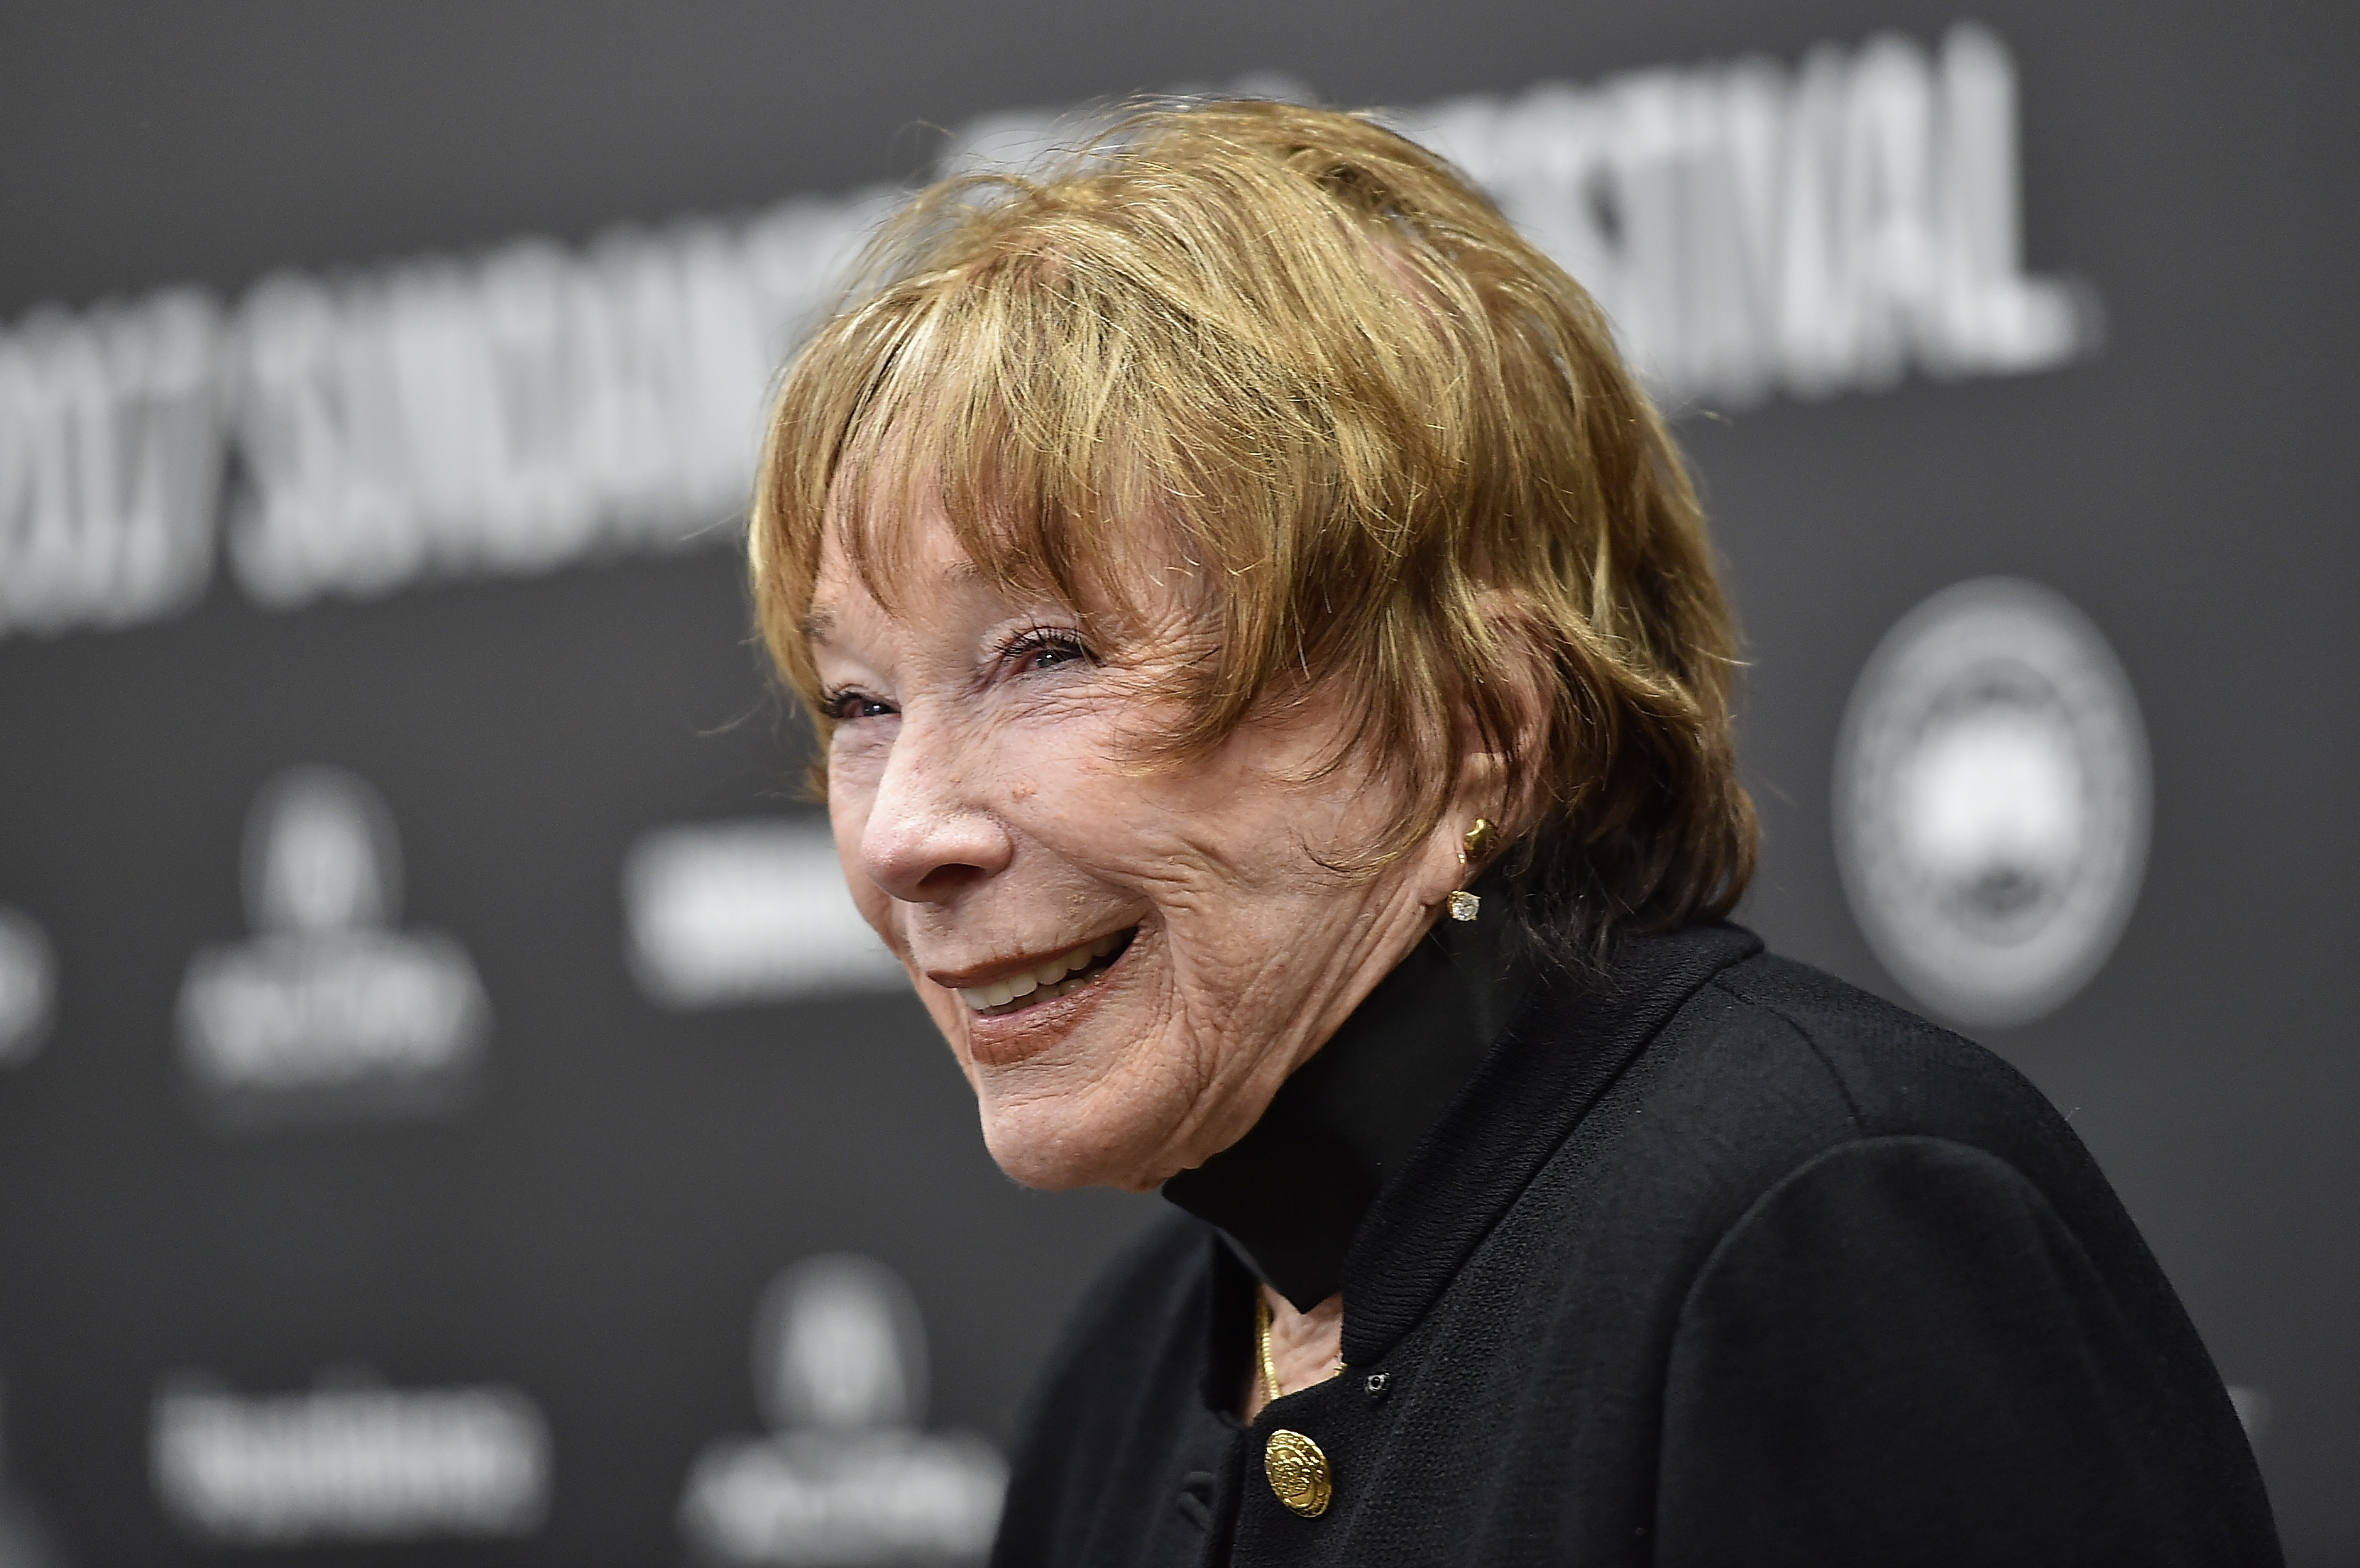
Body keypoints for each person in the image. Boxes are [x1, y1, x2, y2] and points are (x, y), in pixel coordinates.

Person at [746, 99, 2278, 1566]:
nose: (898, 835)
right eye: (859, 701)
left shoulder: (1830, 1235)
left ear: (1474, 717)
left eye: (1043, 657)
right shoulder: (1130, 1368)